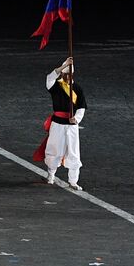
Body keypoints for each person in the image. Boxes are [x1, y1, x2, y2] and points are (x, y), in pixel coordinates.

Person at [36, 57, 87, 190]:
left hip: (71, 126)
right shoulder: (56, 86)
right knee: (54, 149)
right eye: (65, 74)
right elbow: (49, 78)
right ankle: (50, 176)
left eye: (69, 75)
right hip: (57, 124)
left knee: (73, 152)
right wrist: (63, 66)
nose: (67, 77)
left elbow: (81, 106)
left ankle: (73, 181)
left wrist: (76, 118)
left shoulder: (77, 88)